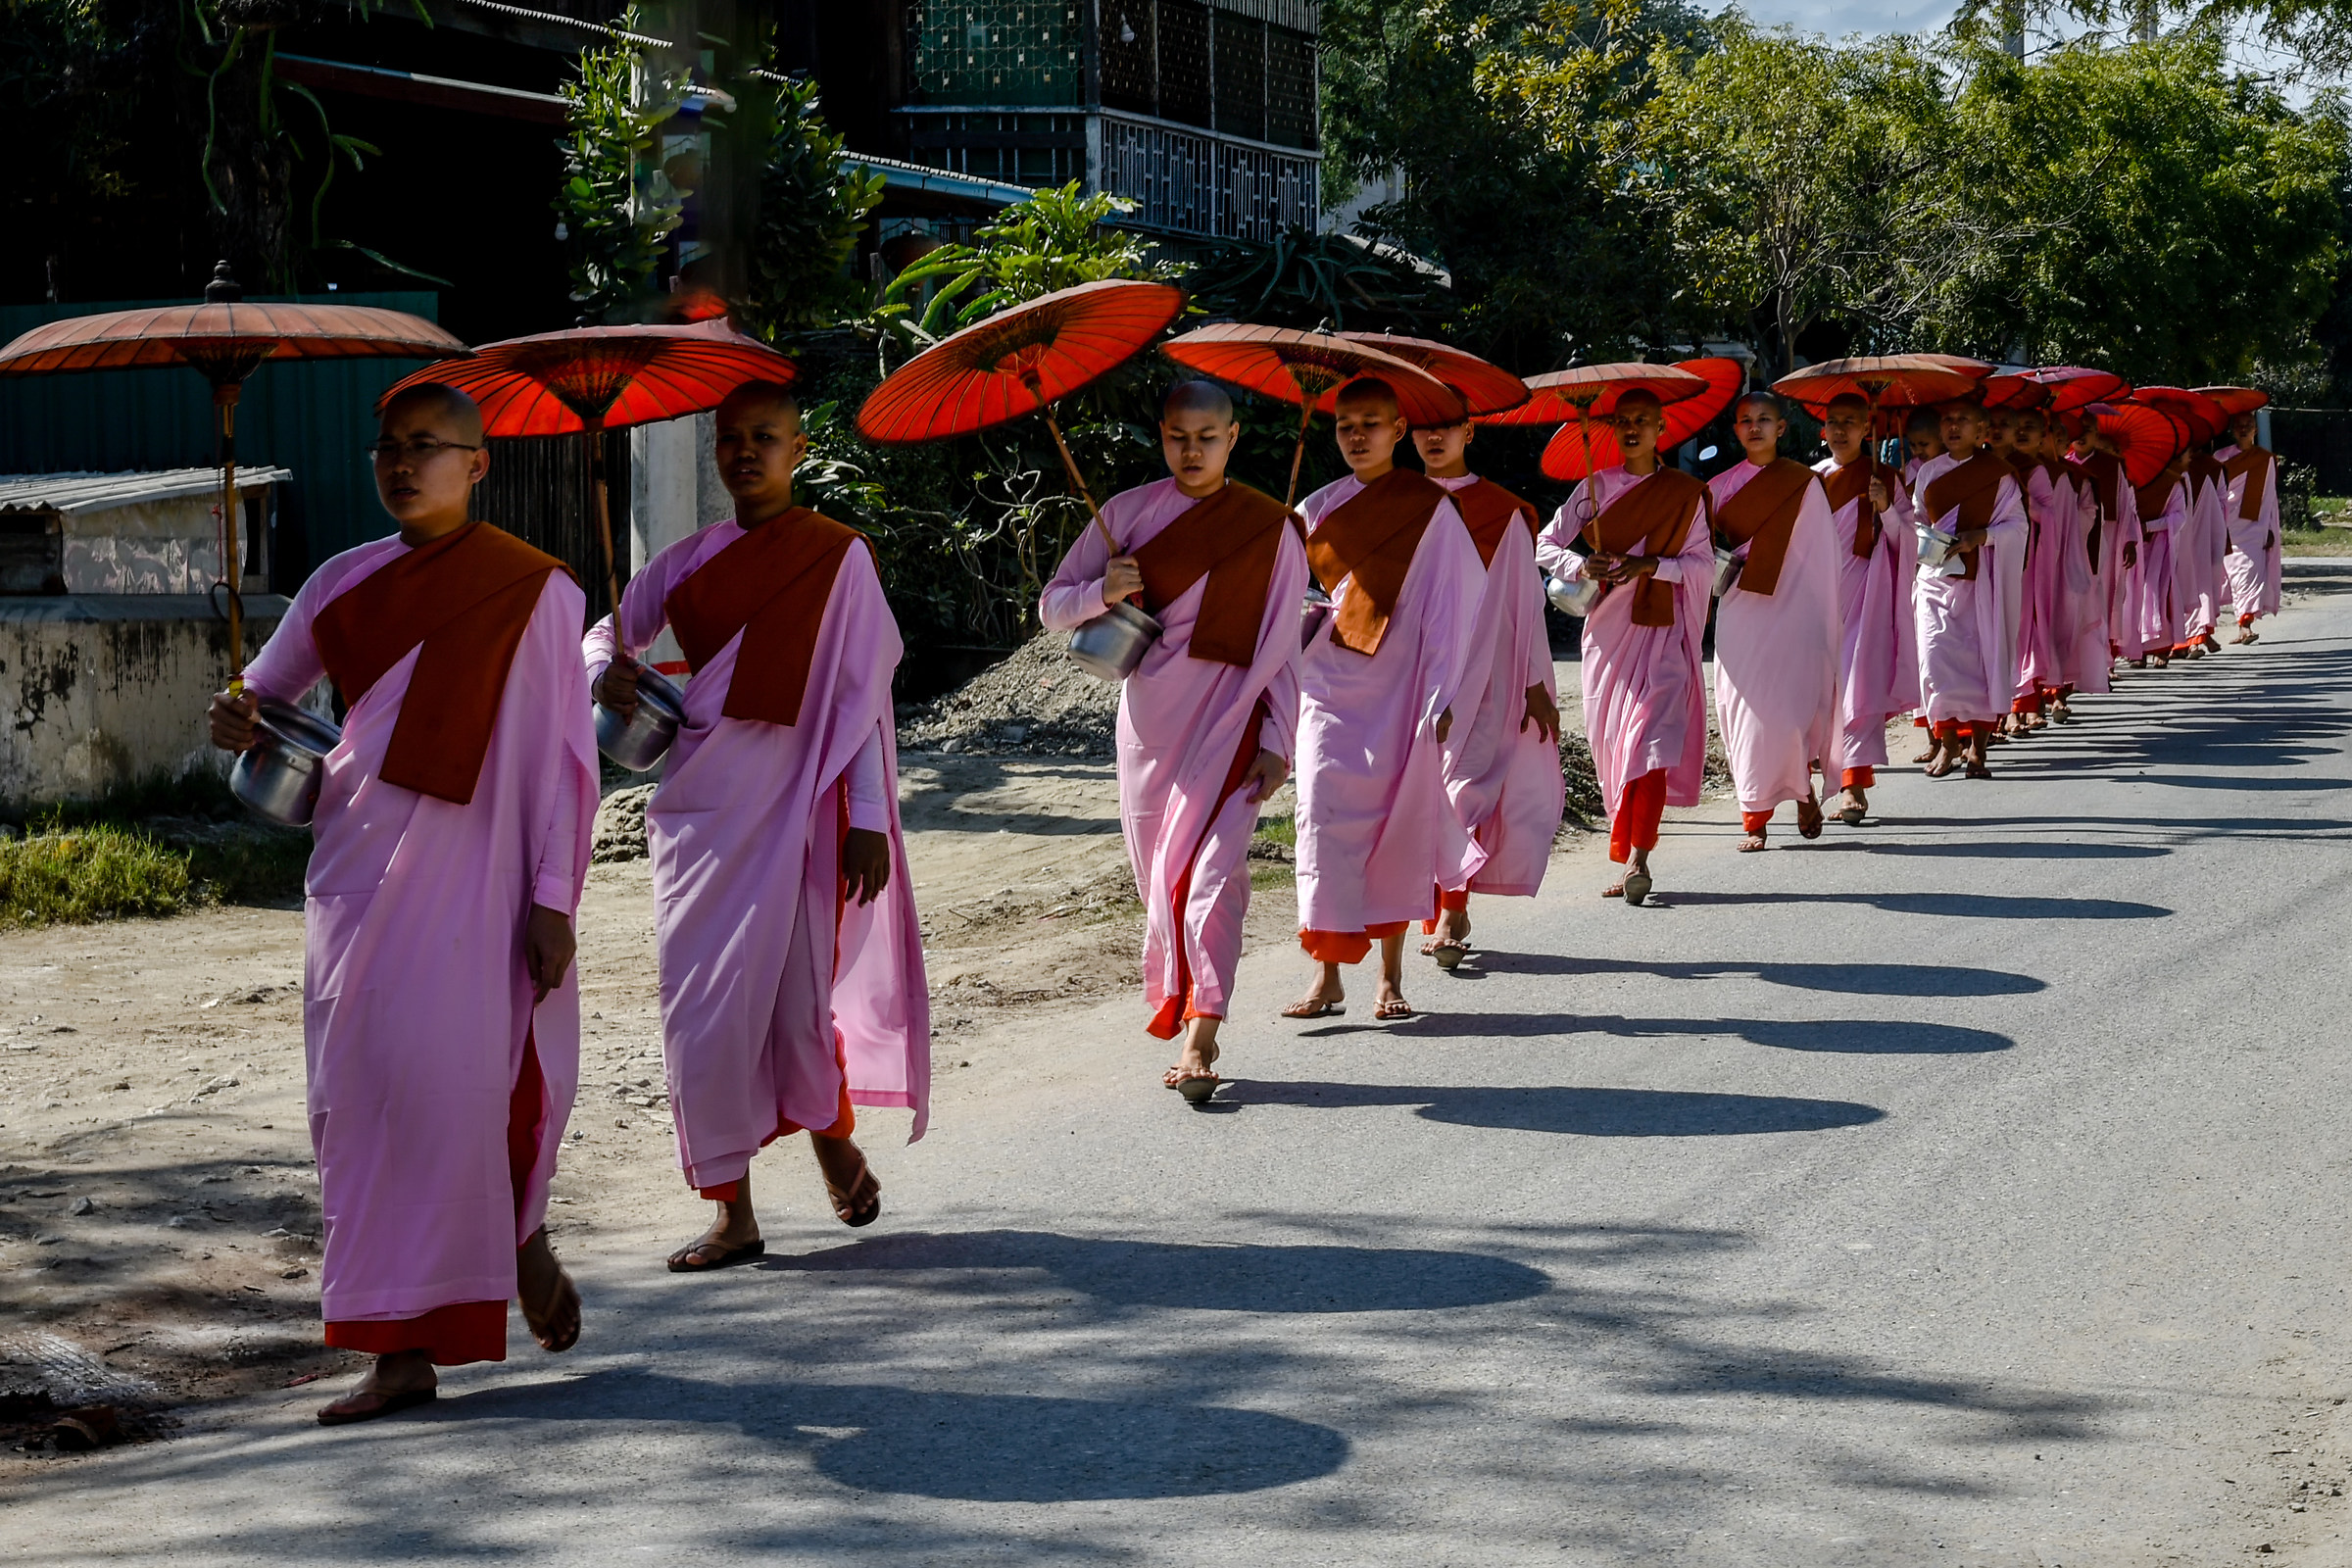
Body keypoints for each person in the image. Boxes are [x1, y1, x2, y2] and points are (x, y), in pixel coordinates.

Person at [207, 383, 594, 1424]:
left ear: (477, 464)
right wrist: (235, 715)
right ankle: (400, 1342)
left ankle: (510, 1242)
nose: (404, 463)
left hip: (486, 879)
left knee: (466, 1083)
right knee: (362, 1104)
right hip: (356, 872)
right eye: (389, 447)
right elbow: (263, 693)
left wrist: (553, 897)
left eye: (429, 445)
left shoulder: (539, 591)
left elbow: (566, 765)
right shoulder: (339, 582)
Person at [585, 382, 927, 1272]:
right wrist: (603, 674)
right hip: (700, 813)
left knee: (796, 1004)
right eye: (729, 439)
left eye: (765, 436)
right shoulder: (687, 560)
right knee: (701, 1013)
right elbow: (606, 635)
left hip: (805, 814)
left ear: (798, 449)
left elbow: (860, 699)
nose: (745, 452)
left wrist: (868, 818)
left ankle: (831, 1138)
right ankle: (732, 1211)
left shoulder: (839, 557)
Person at [1038, 381, 1306, 1099]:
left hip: (1231, 721)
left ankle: (1201, 1036)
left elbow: (1283, 647)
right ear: (1161, 436)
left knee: (1211, 878)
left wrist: (1279, 738)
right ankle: (1185, 1001)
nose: (1193, 451)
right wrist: (1102, 591)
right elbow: (1051, 607)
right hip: (1149, 730)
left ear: (1233, 437)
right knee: (1162, 882)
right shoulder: (1126, 514)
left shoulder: (1271, 527)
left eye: (1208, 437)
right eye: (1179, 437)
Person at [1284, 377, 1484, 1021]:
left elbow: (1456, 607)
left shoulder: (1433, 509)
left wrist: (1442, 695)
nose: (1357, 436)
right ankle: (1326, 975)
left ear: (1398, 430)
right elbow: (1286, 596)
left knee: (1392, 824)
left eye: (1370, 423)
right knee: (1318, 815)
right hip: (1327, 683)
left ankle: (1389, 977)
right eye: (1345, 426)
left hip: (1403, 688)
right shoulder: (1314, 509)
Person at [1534, 390, 1712, 906]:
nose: (1632, 429)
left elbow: (1702, 564)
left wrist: (1651, 565)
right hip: (1608, 636)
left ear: (1661, 428)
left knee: (1649, 743)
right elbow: (1544, 544)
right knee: (1615, 746)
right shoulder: (1595, 488)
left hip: (1663, 633)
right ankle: (1628, 845)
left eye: (1642, 420)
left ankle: (1640, 856)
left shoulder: (1685, 493)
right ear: (1612, 429)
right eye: (1623, 421)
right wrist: (1579, 564)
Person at [1411, 412, 1564, 965]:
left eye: (1447, 425)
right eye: (1424, 426)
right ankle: (1434, 906)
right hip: (1414, 672)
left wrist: (1534, 683)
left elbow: (1525, 604)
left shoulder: (1502, 511)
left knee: (1462, 788)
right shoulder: (1393, 502)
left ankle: (1451, 909)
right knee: (1422, 789)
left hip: (1487, 673)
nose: (1435, 436)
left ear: (1469, 433)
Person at [1707, 392, 1840, 851]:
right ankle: (1755, 816)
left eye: (1764, 419)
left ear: (1781, 428)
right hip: (1741, 607)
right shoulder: (1719, 486)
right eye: (1745, 420)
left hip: (1794, 608)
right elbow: (1698, 545)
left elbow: (1820, 554)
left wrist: (1818, 613)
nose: (1755, 427)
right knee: (1745, 709)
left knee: (1789, 711)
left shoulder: (1803, 483)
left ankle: (1801, 790)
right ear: (1736, 430)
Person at [1911, 398, 2029, 779]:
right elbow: (1916, 519)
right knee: (1934, 662)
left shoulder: (1999, 474)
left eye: (1963, 419)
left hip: (1981, 583)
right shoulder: (1928, 472)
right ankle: (1948, 743)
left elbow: (2018, 526)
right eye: (1947, 418)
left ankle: (1978, 747)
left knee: (1981, 665)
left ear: (1980, 430)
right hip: (1935, 579)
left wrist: (1981, 536)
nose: (1953, 425)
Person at [1814, 393, 1917, 823]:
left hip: (1864, 595)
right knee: (1816, 693)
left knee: (1857, 689)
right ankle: (1809, 785)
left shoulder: (1885, 477)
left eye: (1850, 421)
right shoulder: (1811, 479)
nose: (1841, 430)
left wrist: (1886, 508)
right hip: (1815, 597)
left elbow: (1908, 540)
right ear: (1823, 430)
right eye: (1833, 421)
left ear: (1866, 428)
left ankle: (1853, 785)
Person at [2003, 407, 2066, 735]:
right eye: (2018, 425)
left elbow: (2051, 517)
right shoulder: (1989, 466)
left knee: (2021, 630)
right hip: (1990, 558)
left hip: (2026, 560)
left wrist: (2027, 505)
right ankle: (2000, 710)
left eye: (2029, 427)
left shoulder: (2035, 470)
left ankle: (2020, 705)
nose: (2021, 432)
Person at [2218, 409, 2282, 643]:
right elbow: (2213, 493)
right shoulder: (2220, 457)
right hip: (2226, 526)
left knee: (2249, 573)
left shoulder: (2266, 459)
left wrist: (2271, 529)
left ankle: (2245, 625)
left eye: (2248, 424)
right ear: (2232, 430)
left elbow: (2270, 498)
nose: (2243, 428)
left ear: (2256, 429)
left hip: (2255, 526)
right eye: (2239, 425)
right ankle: (2234, 624)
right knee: (2233, 576)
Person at [2132, 453, 2188, 668]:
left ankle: (2161, 649)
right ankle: (2137, 651)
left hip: (2160, 548)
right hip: (2133, 546)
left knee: (2159, 595)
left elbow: (2179, 517)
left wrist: (2149, 527)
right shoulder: (2131, 480)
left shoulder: (2172, 483)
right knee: (2134, 598)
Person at [2176, 439, 2230, 658]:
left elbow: (2222, 503)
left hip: (2203, 538)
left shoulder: (2210, 468)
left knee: (2202, 585)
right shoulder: (2165, 472)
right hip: (2174, 539)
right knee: (2178, 586)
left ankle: (2197, 638)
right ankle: (2182, 641)